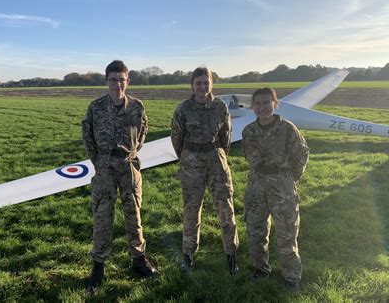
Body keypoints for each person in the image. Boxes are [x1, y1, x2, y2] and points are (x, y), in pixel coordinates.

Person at [82, 60, 158, 296]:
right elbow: (87, 137)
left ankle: (138, 259)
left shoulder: (137, 106)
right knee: (103, 217)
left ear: (128, 81)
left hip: (128, 168)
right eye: (113, 79)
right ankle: (98, 267)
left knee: (133, 214)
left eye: (121, 79)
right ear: (106, 81)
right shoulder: (95, 108)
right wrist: (100, 161)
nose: (117, 84)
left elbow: (143, 132)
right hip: (104, 169)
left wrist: (131, 153)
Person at [171, 66, 239, 275]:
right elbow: (177, 139)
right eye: (198, 83)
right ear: (192, 85)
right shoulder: (183, 109)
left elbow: (226, 135)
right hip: (191, 162)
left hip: (216, 161)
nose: (202, 87)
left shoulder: (220, 107)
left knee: (225, 209)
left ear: (212, 84)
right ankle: (189, 254)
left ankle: (231, 255)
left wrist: (217, 154)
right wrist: (189, 156)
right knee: (192, 210)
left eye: (206, 82)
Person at [241, 87, 309, 294]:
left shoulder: (288, 129)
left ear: (275, 104)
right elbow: (248, 157)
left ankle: (291, 277)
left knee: (287, 233)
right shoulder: (248, 131)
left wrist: (288, 179)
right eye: (257, 104)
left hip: (282, 187)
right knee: (255, 232)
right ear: (253, 107)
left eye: (266, 103)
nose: (262, 107)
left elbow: (301, 154)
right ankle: (261, 269)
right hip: (256, 186)